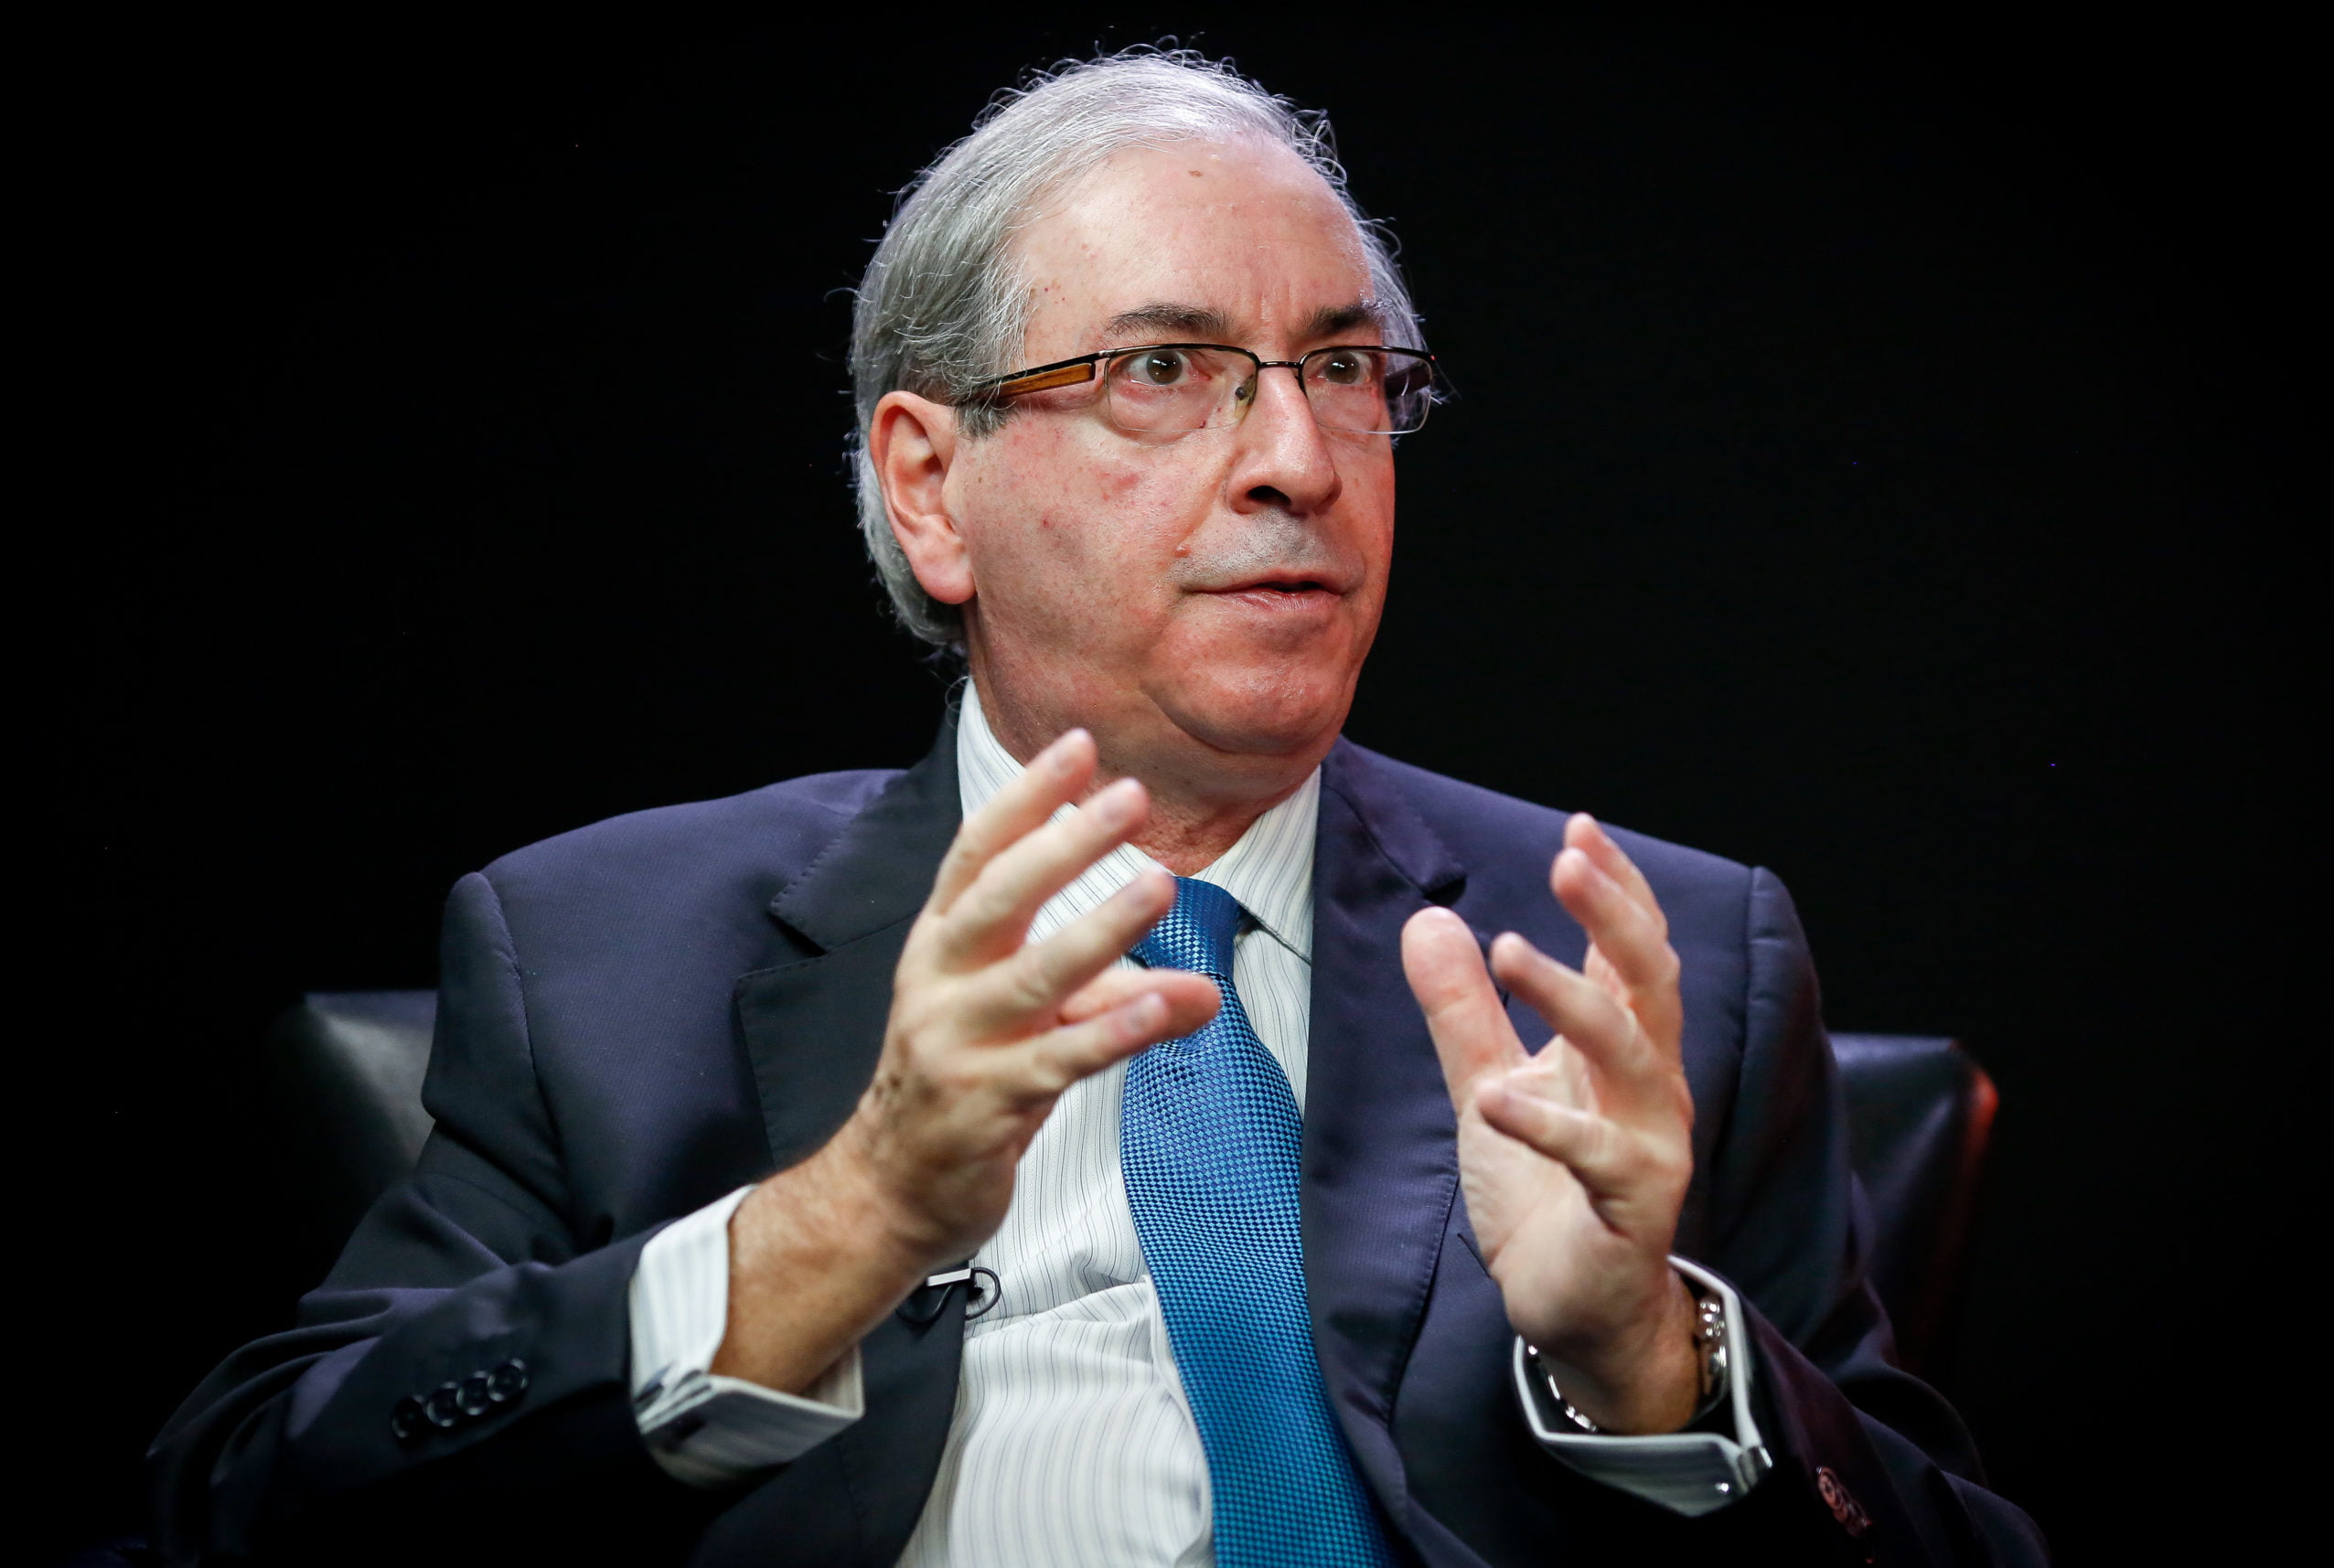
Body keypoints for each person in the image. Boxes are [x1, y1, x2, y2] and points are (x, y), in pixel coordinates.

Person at [152, 49, 2046, 1568]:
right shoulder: (602, 956)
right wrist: (845, 1219)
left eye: (1343, 370)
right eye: (1162, 371)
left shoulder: (1647, 958)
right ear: (930, 487)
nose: (1297, 458)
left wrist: (1649, 1359)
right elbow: (252, 1499)